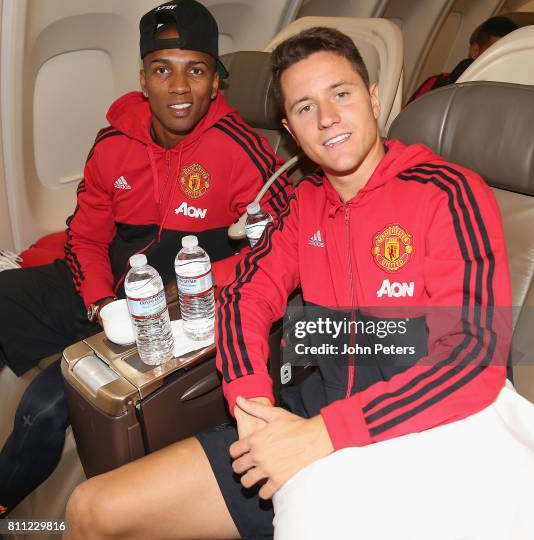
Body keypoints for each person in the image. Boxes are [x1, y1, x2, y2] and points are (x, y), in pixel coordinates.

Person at [65, 27, 534, 539]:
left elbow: (470, 355)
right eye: (305, 108)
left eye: (341, 93)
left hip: (421, 429)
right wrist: (255, 410)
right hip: (305, 416)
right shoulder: (300, 205)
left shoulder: (447, 192)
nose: (327, 117)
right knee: (91, 511)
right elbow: (245, 295)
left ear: (373, 99)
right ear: (290, 128)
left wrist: (327, 435)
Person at [0, 0, 291, 517]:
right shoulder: (113, 143)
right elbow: (85, 238)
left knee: (44, 406)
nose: (179, 88)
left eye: (195, 71)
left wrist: (193, 287)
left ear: (215, 82)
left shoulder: (241, 151)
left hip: (175, 307)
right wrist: (98, 302)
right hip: (108, 288)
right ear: (143, 78)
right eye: (163, 70)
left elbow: (278, 247)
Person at [408, 15, 518, 103]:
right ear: (475, 51)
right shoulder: (440, 86)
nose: (502, 62)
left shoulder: (522, 93)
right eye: (494, 53)